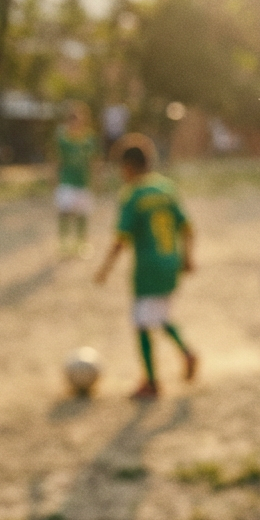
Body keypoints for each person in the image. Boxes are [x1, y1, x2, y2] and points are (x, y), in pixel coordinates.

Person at [94, 134, 197, 400]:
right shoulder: (166, 188)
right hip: (170, 262)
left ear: (128, 167)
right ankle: (187, 353)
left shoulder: (133, 195)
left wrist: (105, 269)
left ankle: (151, 381)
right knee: (159, 315)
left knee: (142, 322)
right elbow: (187, 227)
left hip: (148, 268)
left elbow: (121, 239)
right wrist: (187, 258)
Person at [53, 101, 98, 258]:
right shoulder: (63, 138)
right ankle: (64, 243)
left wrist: (95, 180)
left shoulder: (88, 139)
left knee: (82, 214)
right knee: (64, 212)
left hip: (82, 181)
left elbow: (92, 161)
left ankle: (81, 243)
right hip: (67, 180)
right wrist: (54, 178)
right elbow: (58, 160)